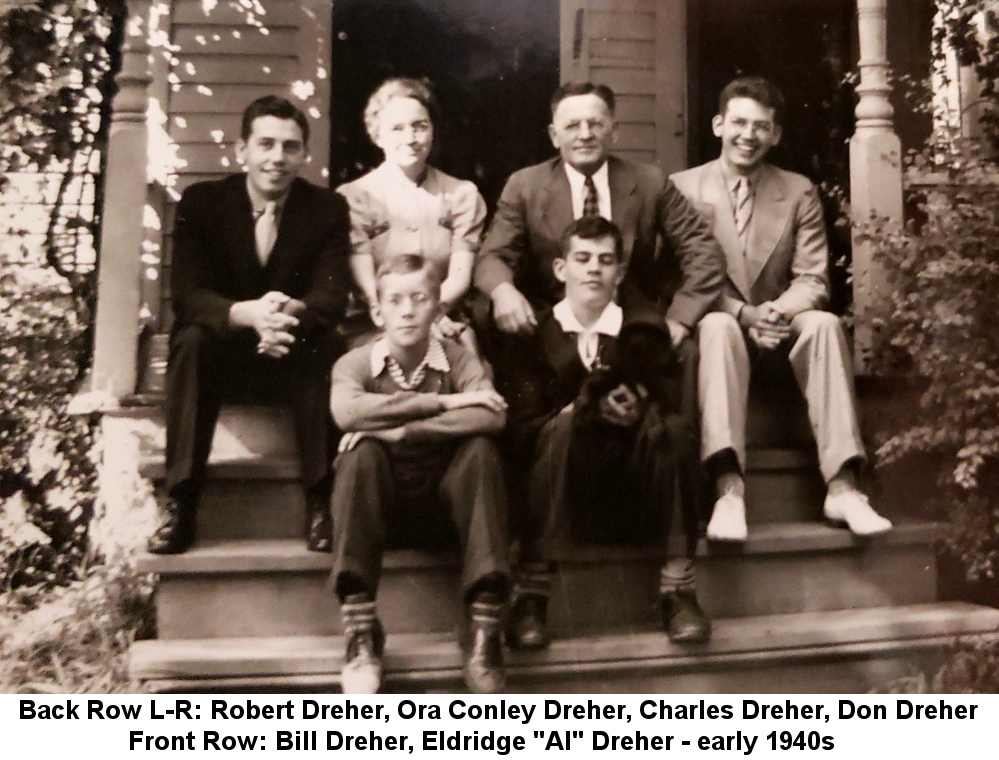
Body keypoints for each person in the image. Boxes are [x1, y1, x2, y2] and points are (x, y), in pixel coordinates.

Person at [670, 76, 892, 542]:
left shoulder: (797, 191)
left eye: (760, 126)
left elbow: (813, 278)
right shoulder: (683, 189)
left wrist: (772, 313)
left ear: (776, 134)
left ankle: (843, 485)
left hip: (777, 334)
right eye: (738, 123)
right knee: (715, 325)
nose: (748, 135)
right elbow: (682, 280)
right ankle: (728, 489)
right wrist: (741, 314)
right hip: (722, 338)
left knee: (825, 325)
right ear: (718, 125)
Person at [148, 95, 352, 556]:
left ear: (303, 155)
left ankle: (321, 501)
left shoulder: (325, 209)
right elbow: (189, 295)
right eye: (266, 144)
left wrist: (284, 314)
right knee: (191, 341)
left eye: (290, 146)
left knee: (328, 343)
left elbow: (330, 297)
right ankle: (180, 502)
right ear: (243, 151)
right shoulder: (201, 204)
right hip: (224, 349)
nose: (277, 158)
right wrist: (248, 314)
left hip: (289, 351)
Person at [497, 216, 709, 649]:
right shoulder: (532, 336)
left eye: (606, 260)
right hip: (562, 494)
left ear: (621, 272)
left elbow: (667, 404)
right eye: (583, 258)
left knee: (669, 429)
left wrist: (639, 408)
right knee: (559, 427)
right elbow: (521, 430)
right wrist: (586, 411)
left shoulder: (645, 334)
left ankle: (677, 587)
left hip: (633, 495)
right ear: (561, 270)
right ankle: (533, 590)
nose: (593, 269)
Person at [328, 254, 511, 694]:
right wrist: (444, 404)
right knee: (359, 456)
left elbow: (492, 416)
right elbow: (347, 412)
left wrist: (402, 430)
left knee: (481, 451)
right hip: (381, 512)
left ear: (438, 308)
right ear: (378, 312)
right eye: (394, 300)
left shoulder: (459, 359)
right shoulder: (354, 364)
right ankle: (361, 632)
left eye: (419, 299)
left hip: (447, 509)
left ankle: (484, 629)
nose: (407, 310)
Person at [337, 78, 486, 349]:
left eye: (420, 127)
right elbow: (365, 279)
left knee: (467, 368)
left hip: (443, 320)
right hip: (375, 324)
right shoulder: (355, 197)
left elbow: (459, 277)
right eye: (397, 129)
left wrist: (429, 316)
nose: (410, 139)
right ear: (377, 135)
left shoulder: (462, 194)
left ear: (432, 131)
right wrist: (400, 318)